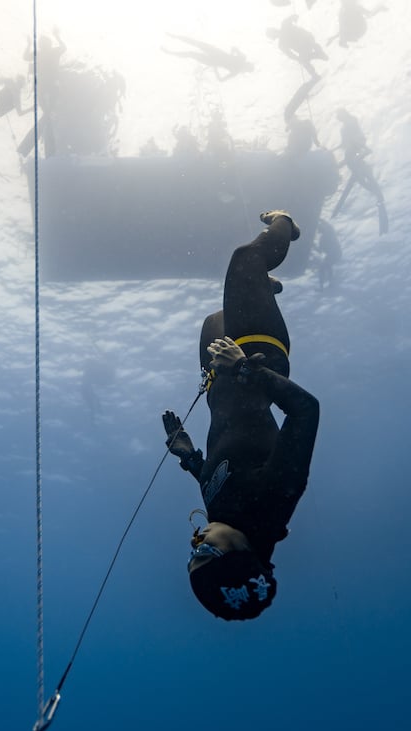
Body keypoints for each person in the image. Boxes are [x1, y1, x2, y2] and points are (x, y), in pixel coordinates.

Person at [162, 211, 320, 620]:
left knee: (213, 320)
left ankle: (263, 289)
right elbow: (305, 411)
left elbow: (219, 478)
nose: (196, 540)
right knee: (244, 260)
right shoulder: (273, 503)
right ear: (239, 554)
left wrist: (188, 455)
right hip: (254, 358)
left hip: (219, 382)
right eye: (204, 552)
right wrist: (245, 368)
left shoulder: (225, 516)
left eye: (191, 554)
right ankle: (286, 225)